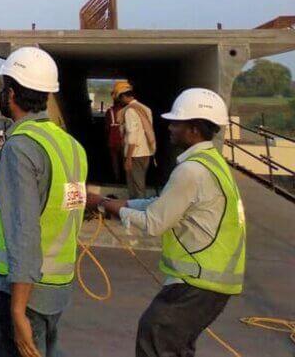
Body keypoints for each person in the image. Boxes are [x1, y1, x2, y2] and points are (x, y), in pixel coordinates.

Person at [96, 88, 245, 357]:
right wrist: (118, 204)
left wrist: (114, 209)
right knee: (172, 344)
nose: (170, 128)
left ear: (194, 128)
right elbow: (167, 204)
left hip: (199, 281)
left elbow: (154, 222)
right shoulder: (212, 162)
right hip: (210, 282)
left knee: (155, 335)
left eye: (176, 122)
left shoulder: (191, 171)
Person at [0, 47, 88, 357]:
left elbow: (24, 232)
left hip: (23, 292)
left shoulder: (20, 148)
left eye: (4, 88)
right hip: (57, 287)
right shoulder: (70, 145)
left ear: (12, 93)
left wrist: (17, 311)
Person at [118, 83, 157, 198]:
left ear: (124, 96)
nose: (120, 101)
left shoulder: (130, 111)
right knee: (140, 183)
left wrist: (128, 158)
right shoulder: (145, 108)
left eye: (120, 98)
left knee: (135, 186)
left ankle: (137, 211)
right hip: (146, 152)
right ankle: (138, 209)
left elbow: (132, 134)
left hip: (135, 154)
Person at [105, 81, 129, 182]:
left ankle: (116, 178)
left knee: (114, 161)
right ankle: (125, 178)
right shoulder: (127, 110)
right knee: (125, 159)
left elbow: (107, 127)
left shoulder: (109, 111)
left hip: (112, 139)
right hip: (123, 138)